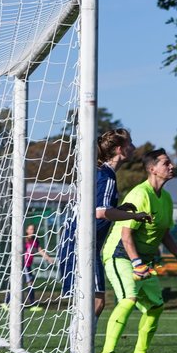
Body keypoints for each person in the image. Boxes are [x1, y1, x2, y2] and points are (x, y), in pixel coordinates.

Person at [95, 149, 177, 353]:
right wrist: (136, 264)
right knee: (129, 298)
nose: (171, 166)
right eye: (166, 163)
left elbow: (164, 232)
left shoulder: (167, 198)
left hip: (143, 260)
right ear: (152, 169)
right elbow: (126, 236)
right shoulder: (139, 194)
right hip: (120, 255)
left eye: (171, 163)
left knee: (156, 305)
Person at [59, 128, 150, 318]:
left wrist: (122, 209)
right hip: (82, 245)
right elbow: (101, 212)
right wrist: (135, 216)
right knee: (96, 302)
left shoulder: (99, 173)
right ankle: (80, 347)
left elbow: (97, 209)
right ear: (119, 149)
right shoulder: (106, 176)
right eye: (130, 144)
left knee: (87, 303)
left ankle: (78, 346)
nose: (133, 147)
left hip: (74, 241)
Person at [20, 223, 55, 309]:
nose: (32, 231)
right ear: (27, 231)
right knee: (29, 283)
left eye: (33, 229)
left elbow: (40, 251)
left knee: (27, 283)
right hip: (23, 265)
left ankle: (9, 302)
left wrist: (48, 258)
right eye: (30, 229)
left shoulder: (35, 241)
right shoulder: (24, 240)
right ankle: (32, 304)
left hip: (28, 265)